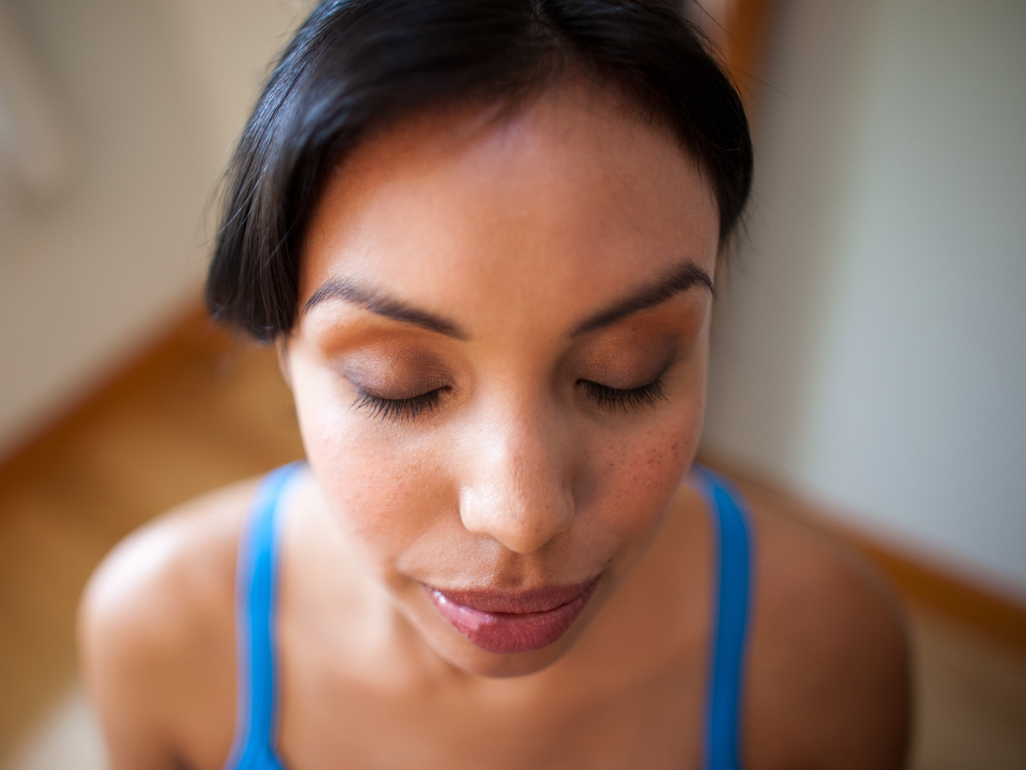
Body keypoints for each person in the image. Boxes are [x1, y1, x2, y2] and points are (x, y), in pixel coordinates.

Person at [79, 1, 910, 768]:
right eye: (398, 385)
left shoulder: (826, 650)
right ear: (282, 346)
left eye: (626, 374)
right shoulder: (159, 631)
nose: (521, 516)